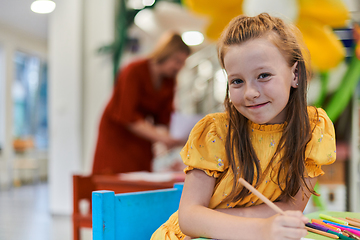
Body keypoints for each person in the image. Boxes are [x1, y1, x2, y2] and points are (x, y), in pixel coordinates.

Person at [151, 13, 336, 240]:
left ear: (295, 73)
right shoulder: (215, 132)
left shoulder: (314, 128)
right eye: (237, 81)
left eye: (264, 75)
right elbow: (189, 219)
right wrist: (261, 229)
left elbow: (291, 209)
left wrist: (213, 217)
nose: (250, 93)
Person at [92, 32, 191, 175]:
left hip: (142, 137)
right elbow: (126, 115)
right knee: (115, 177)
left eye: (182, 63)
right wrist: (163, 138)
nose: (179, 67)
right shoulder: (134, 70)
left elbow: (166, 117)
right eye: (177, 60)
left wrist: (178, 138)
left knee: (141, 177)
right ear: (165, 53)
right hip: (117, 134)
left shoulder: (169, 81)